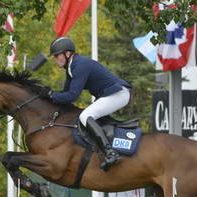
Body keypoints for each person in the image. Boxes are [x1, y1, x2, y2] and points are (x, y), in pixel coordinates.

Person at [42, 37, 132, 171]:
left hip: (119, 94)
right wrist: (50, 94)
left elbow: (72, 96)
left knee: (85, 116)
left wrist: (52, 96)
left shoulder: (80, 65)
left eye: (56, 56)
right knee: (88, 116)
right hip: (110, 94)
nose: (55, 59)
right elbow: (65, 93)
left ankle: (110, 153)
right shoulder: (71, 67)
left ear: (67, 54)